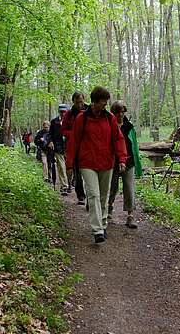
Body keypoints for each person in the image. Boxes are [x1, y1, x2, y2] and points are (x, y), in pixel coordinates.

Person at [66, 86, 127, 243]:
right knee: (93, 195)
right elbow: (74, 141)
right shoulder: (82, 118)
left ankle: (104, 223)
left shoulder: (109, 118)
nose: (105, 106)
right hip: (87, 163)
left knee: (103, 196)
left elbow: (118, 139)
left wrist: (122, 159)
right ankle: (97, 230)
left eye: (106, 103)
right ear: (94, 102)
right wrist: (70, 163)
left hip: (107, 162)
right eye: (102, 103)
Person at [107, 101, 143, 229]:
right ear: (113, 112)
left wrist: (138, 164)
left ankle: (130, 216)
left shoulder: (129, 126)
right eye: (118, 112)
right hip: (113, 162)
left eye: (123, 111)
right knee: (112, 187)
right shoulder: (109, 125)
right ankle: (109, 211)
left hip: (129, 161)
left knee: (129, 188)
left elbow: (134, 146)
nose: (121, 114)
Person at [61, 91, 88, 205]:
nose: (79, 104)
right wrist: (74, 134)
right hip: (74, 146)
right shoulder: (69, 114)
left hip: (87, 146)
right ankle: (80, 195)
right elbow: (63, 130)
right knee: (78, 172)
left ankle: (90, 196)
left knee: (88, 170)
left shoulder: (88, 111)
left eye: (81, 101)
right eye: (77, 102)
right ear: (73, 101)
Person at [50, 104, 70, 195]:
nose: (63, 113)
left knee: (70, 168)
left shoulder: (71, 121)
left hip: (69, 147)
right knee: (61, 167)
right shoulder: (54, 122)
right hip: (58, 147)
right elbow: (50, 134)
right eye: (61, 111)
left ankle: (69, 183)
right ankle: (64, 186)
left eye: (64, 111)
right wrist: (50, 142)